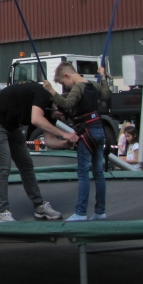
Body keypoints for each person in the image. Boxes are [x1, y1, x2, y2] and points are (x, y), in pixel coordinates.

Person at [0, 82, 75, 221]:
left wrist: (66, 144)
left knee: (26, 165)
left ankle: (39, 206)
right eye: (62, 116)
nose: (62, 119)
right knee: (3, 167)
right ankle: (3, 211)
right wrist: (65, 133)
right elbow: (36, 119)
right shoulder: (43, 95)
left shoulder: (50, 114)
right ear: (58, 106)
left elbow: (49, 141)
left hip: (11, 124)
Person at [43, 63, 111, 221]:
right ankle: (100, 211)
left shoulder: (78, 87)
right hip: (99, 129)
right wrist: (104, 77)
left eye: (62, 83)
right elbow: (106, 95)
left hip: (86, 132)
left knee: (83, 174)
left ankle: (80, 212)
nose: (64, 88)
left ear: (67, 76)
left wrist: (51, 90)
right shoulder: (93, 84)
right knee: (98, 172)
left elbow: (67, 104)